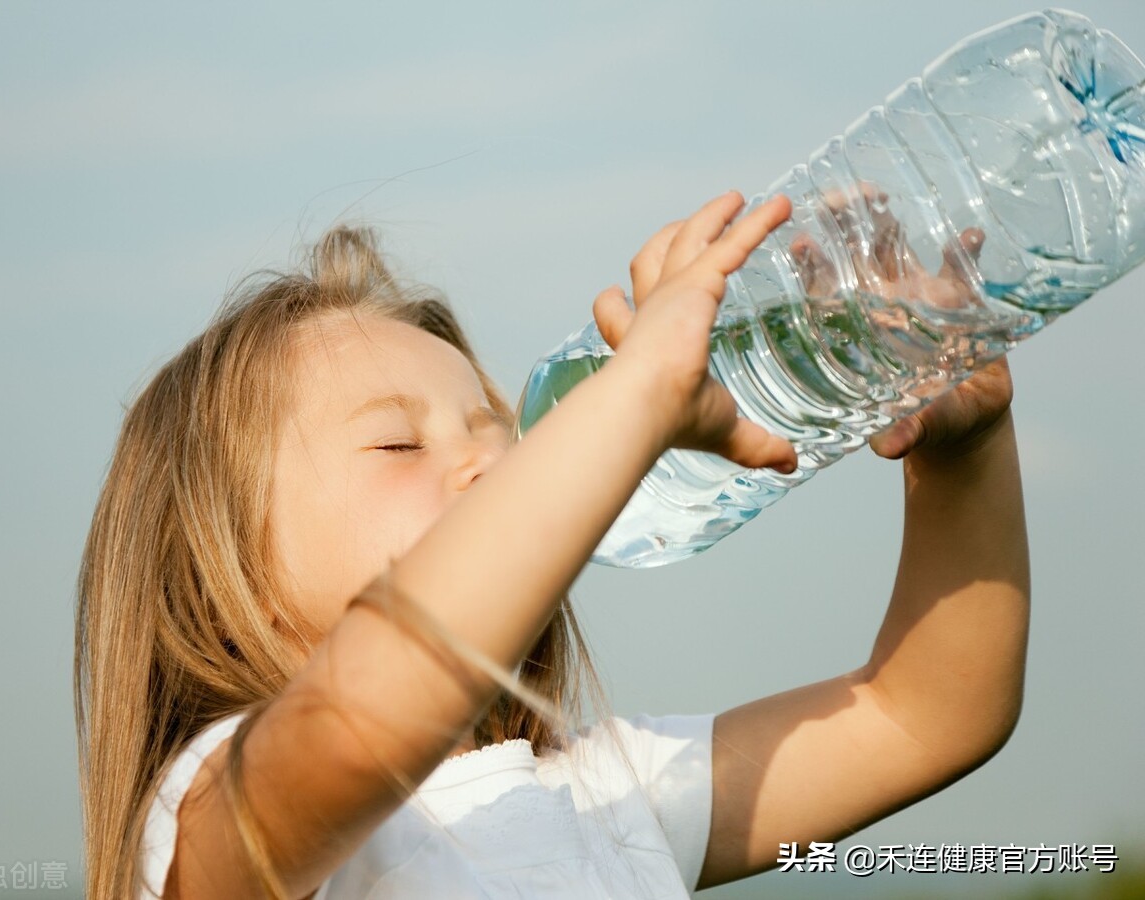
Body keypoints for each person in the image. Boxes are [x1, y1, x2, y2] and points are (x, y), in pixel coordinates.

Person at [74, 190, 1028, 899]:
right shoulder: (215, 819)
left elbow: (922, 717)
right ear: (223, 578)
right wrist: (641, 388)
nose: (494, 467)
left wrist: (964, 457)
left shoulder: (605, 795)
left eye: (497, 431)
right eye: (400, 443)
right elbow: (370, 706)